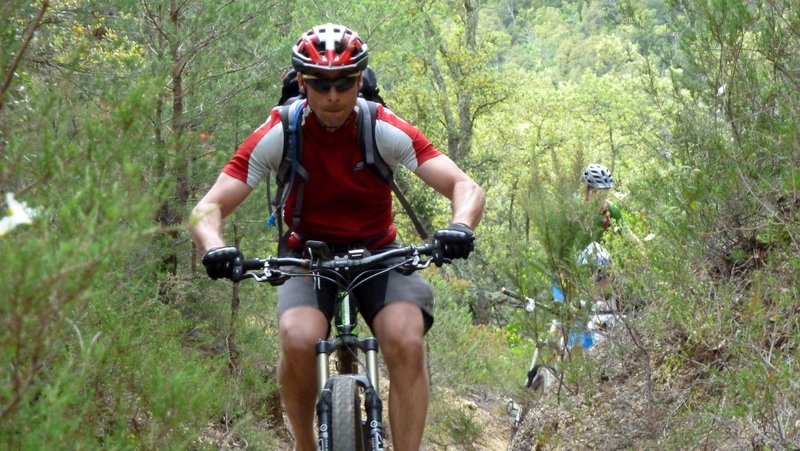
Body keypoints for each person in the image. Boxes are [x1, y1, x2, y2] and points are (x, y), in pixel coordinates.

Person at [189, 23, 485, 451]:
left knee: (404, 337)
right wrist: (214, 247)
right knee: (297, 336)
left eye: (344, 83)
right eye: (320, 84)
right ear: (303, 82)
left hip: (379, 253)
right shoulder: (282, 131)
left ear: (360, 80)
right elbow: (207, 208)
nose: (333, 96)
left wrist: (460, 225)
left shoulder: (381, 126)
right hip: (307, 257)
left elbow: (465, 187)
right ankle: (305, 445)